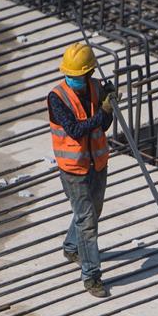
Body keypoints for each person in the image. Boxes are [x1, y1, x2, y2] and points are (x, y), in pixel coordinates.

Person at [48, 42, 117, 298]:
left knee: (91, 212)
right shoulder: (57, 97)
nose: (73, 79)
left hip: (97, 163)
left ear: (88, 74)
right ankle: (91, 276)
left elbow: (104, 125)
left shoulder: (96, 88)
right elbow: (76, 130)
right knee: (87, 222)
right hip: (73, 168)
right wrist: (103, 111)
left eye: (78, 76)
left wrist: (110, 103)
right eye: (70, 75)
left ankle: (71, 246)